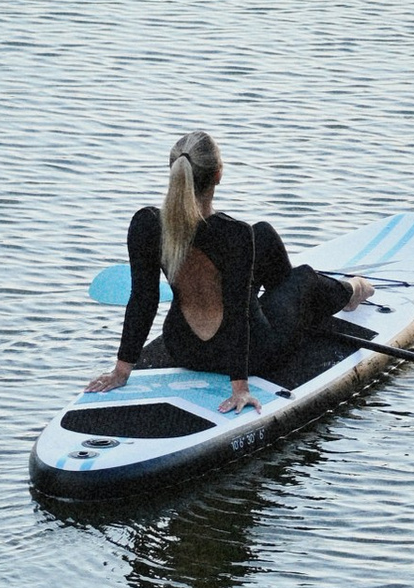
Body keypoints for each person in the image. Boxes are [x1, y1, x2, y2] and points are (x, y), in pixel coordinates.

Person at [83, 126, 374, 416]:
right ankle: (352, 291)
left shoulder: (146, 224)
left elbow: (143, 299)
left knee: (263, 234)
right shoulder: (234, 234)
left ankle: (294, 308)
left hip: (182, 347)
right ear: (218, 175)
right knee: (304, 278)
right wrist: (240, 388)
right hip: (255, 353)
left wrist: (121, 371)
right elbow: (236, 314)